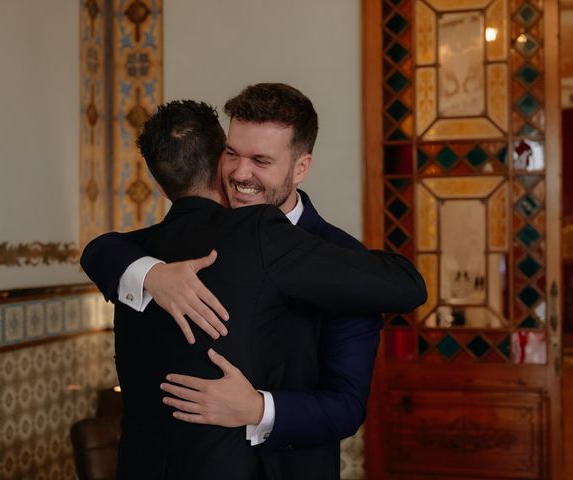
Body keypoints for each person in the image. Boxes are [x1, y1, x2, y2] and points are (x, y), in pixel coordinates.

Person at [81, 86, 427, 479]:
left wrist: (258, 409)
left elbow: (346, 407)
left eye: (261, 160)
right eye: (231, 154)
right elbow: (103, 249)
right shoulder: (189, 234)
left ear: (300, 167)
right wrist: (150, 274)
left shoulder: (338, 255)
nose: (240, 174)